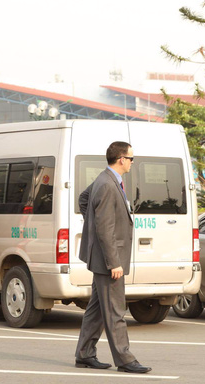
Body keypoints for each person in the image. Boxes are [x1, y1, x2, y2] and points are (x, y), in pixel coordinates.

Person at [74, 141, 151, 374]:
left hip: (101, 259)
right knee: (116, 311)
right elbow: (104, 227)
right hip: (108, 262)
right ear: (121, 159)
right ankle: (125, 359)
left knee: (96, 309)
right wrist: (113, 262)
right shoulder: (108, 185)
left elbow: (84, 200)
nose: (131, 163)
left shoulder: (104, 180)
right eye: (131, 159)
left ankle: (85, 354)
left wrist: (92, 226)